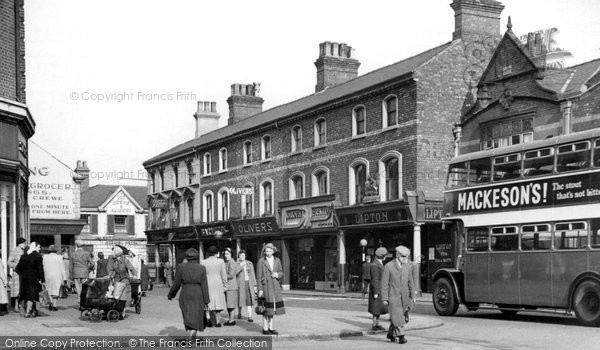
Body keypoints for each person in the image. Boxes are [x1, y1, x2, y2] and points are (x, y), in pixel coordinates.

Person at [168, 248, 210, 340]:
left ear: (187, 257)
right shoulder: (202, 268)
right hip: (198, 293)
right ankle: (193, 334)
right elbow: (204, 285)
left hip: (186, 292)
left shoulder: (181, 267)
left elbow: (176, 284)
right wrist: (207, 300)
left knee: (187, 314)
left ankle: (191, 334)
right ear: (197, 257)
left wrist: (171, 294)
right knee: (196, 314)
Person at [382, 245, 415, 344]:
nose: (406, 259)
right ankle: (401, 336)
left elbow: (411, 282)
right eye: (404, 257)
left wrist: (413, 295)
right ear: (397, 256)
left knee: (398, 316)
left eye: (407, 257)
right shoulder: (388, 266)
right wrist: (384, 298)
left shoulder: (407, 267)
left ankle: (391, 333)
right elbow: (384, 284)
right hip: (393, 296)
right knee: (398, 317)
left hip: (404, 297)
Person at [257, 243, 285, 335]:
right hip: (265, 287)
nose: (268, 253)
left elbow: (281, 272)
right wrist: (260, 289)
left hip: (275, 286)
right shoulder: (261, 261)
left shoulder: (277, 260)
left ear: (273, 251)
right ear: (264, 252)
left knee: (272, 308)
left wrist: (276, 274)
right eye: (266, 251)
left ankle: (271, 327)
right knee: (265, 308)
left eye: (270, 251)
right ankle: (265, 328)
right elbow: (258, 276)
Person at [15, 242, 45, 318]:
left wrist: (23, 274)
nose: (39, 249)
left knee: (26, 295)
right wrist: (42, 279)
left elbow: (17, 268)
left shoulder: (23, 256)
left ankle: (31, 311)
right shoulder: (38, 256)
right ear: (35, 247)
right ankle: (28, 311)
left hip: (24, 279)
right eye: (38, 247)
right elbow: (40, 269)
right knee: (32, 295)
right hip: (34, 279)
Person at [107, 245, 137, 320]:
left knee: (122, 294)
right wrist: (109, 275)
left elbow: (131, 268)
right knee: (115, 294)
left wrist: (134, 275)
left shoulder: (124, 259)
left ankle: (122, 310)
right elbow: (110, 268)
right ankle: (116, 309)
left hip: (124, 278)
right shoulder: (111, 258)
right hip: (116, 277)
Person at [202, 245, 227, 327]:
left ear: (208, 253)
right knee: (218, 302)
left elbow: (202, 275)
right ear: (216, 253)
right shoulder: (221, 261)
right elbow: (223, 274)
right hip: (218, 283)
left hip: (207, 283)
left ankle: (208, 317)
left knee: (209, 301)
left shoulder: (203, 262)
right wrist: (225, 285)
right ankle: (218, 321)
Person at [368, 247, 388, 331]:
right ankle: (374, 324)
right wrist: (376, 292)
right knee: (376, 308)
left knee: (378, 308)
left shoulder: (378, 263)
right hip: (377, 289)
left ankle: (377, 323)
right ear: (382, 256)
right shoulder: (375, 265)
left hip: (380, 288)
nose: (386, 257)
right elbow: (375, 279)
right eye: (385, 255)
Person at [42, 245, 67, 311]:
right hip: (57, 275)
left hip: (47, 275)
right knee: (56, 290)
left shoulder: (45, 257)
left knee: (49, 289)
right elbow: (62, 268)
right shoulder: (59, 257)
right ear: (55, 251)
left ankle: (51, 303)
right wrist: (64, 278)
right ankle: (55, 305)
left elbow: (43, 267)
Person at [236, 249, 257, 322]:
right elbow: (235, 273)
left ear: (245, 256)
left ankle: (250, 316)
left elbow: (253, 274)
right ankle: (239, 313)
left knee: (249, 300)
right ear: (238, 256)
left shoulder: (249, 263)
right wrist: (241, 266)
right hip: (240, 284)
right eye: (240, 255)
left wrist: (255, 285)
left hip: (248, 282)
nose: (241, 257)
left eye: (243, 255)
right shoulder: (236, 264)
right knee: (240, 299)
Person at [8, 237, 27, 313]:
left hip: (24, 273)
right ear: (20, 243)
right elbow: (9, 262)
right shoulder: (14, 250)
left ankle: (21, 305)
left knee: (22, 289)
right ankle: (16, 306)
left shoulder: (25, 251)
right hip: (17, 273)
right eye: (23, 243)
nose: (24, 245)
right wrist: (16, 266)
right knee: (17, 290)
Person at [223, 247, 241, 325]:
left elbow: (231, 275)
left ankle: (232, 320)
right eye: (225, 254)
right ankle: (230, 319)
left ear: (231, 255)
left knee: (231, 304)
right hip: (228, 287)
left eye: (227, 254)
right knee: (229, 304)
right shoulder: (226, 262)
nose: (226, 255)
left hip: (232, 287)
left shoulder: (232, 262)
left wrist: (222, 275)